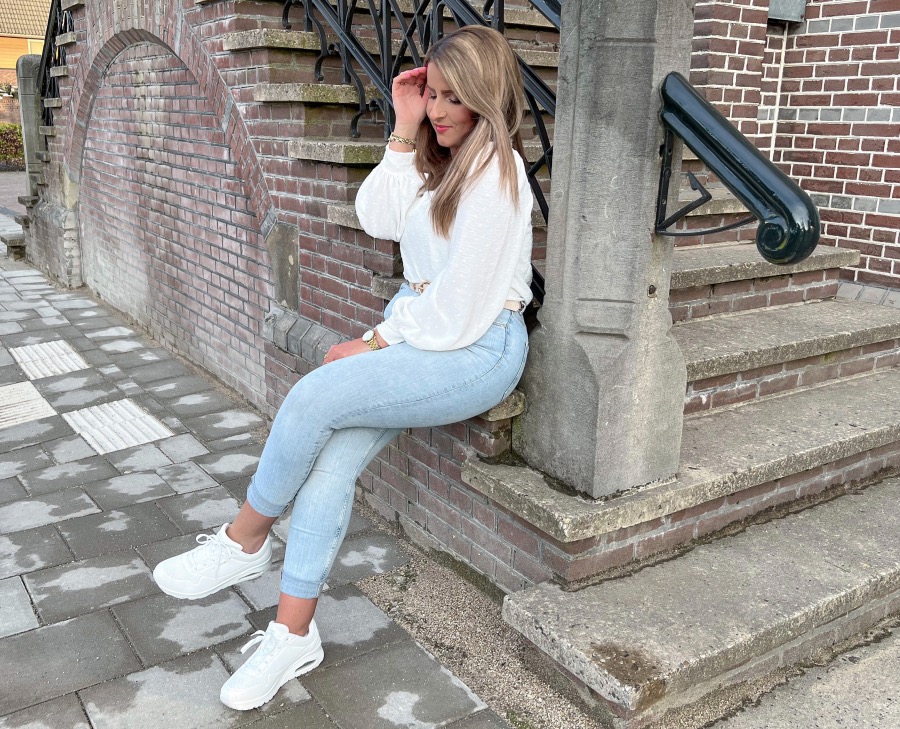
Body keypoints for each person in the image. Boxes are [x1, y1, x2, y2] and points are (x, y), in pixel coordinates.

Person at [152, 24, 533, 711]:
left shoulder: (497, 174)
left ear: (487, 96)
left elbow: (460, 311)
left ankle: (244, 540)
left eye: (454, 98)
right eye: (434, 94)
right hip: (430, 330)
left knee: (314, 396)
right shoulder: (445, 162)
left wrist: (378, 340)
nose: (440, 110)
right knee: (330, 462)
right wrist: (404, 127)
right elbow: (376, 217)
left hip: (477, 348)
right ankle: (293, 635)